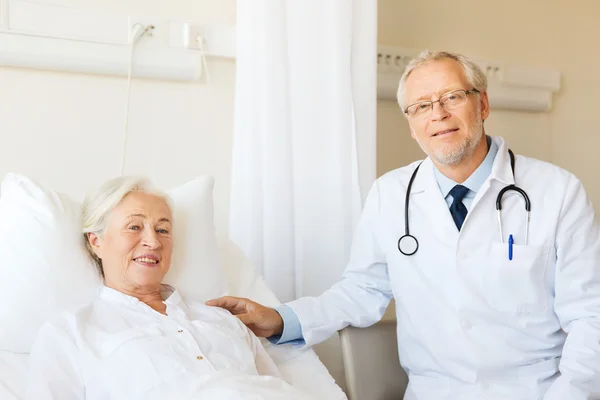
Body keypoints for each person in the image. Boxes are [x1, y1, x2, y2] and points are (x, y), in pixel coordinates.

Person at [208, 50, 600, 399]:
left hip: (535, 391)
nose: (438, 115)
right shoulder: (390, 193)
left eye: (452, 97)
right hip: (433, 390)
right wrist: (281, 318)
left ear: (482, 104)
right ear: (412, 124)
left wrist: (569, 393)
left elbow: (590, 314)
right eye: (421, 106)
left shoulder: (557, 191)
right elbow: (363, 290)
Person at [26, 177, 312, 400]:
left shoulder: (222, 320)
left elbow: (277, 389)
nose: (153, 241)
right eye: (134, 227)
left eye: (163, 230)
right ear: (96, 241)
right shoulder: (71, 333)